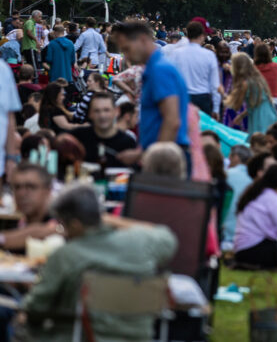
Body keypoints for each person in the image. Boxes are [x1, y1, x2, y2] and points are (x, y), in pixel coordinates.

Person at [21, 185, 177, 340]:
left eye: (62, 225)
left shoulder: (65, 255)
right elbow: (168, 237)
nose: (63, 232)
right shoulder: (141, 242)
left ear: (75, 224)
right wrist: (108, 220)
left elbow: (35, 309)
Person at [112, 21, 191, 165]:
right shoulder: (156, 68)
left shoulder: (159, 70)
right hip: (165, 152)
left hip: (166, 158)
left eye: (127, 49)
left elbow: (172, 120)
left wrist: (150, 157)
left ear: (142, 40)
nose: (126, 56)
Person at [71, 92, 142, 167]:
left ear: (116, 112)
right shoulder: (77, 137)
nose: (102, 115)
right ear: (90, 114)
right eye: (97, 111)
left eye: (106, 110)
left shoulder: (128, 142)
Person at [167, 20, 221, 115]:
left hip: (182, 98)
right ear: (202, 35)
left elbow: (169, 80)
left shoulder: (175, 54)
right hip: (203, 99)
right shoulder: (209, 55)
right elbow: (214, 84)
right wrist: (216, 109)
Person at [0, 164, 57, 253]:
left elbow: (43, 231)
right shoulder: (18, 224)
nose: (22, 194)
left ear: (48, 190)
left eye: (31, 187)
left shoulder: (60, 221)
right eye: (17, 187)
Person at [225, 53, 277, 136]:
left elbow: (236, 104)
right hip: (269, 114)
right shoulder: (257, 78)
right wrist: (241, 116)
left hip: (259, 118)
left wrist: (221, 94)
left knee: (257, 143)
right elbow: (256, 103)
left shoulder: (245, 83)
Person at [221, 145, 254, 250]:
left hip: (226, 235)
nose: (229, 161)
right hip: (248, 237)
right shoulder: (254, 179)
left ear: (236, 157)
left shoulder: (226, 175)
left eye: (230, 157)